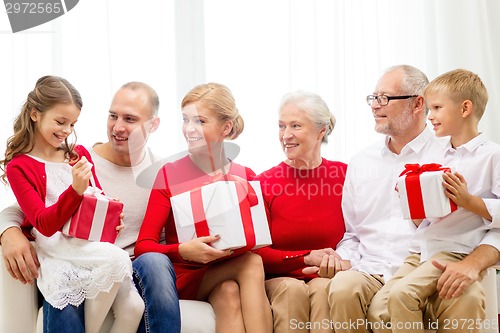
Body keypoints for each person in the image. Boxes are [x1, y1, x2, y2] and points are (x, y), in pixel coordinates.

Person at [324, 64, 500, 333]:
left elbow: (481, 221)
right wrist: (344, 260)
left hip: (434, 259)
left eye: (384, 98)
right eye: (373, 98)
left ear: (418, 104)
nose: (374, 106)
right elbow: (353, 232)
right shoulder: (361, 162)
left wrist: (472, 263)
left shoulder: (450, 153)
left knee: (465, 296)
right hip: (374, 267)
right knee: (346, 289)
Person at [0, 81, 181, 333]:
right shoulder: (80, 157)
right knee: (72, 286)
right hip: (67, 251)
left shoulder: (161, 172)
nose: (118, 127)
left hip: (116, 257)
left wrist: (111, 216)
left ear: (153, 124)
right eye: (112, 116)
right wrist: (7, 231)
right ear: (35, 114)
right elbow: (26, 211)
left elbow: (99, 199)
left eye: (129, 119)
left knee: (142, 286)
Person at [134, 82, 273, 333]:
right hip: (184, 275)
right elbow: (144, 246)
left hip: (223, 274)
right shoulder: (169, 173)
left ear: (226, 127)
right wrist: (183, 251)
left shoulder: (246, 177)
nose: (189, 129)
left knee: (229, 292)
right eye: (185, 120)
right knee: (251, 264)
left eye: (199, 121)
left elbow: (260, 243)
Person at [376, 69, 500, 333]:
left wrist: (469, 201)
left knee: (401, 297)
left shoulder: (492, 156)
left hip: (455, 250)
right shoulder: (436, 153)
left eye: (436, 108)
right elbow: (427, 219)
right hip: (423, 249)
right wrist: (413, 201)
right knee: (380, 309)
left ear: (465, 108)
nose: (429, 116)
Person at [253, 90, 347, 333]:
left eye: (296, 126)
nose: (286, 135)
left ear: (321, 131)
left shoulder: (345, 176)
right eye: (282, 126)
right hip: (281, 279)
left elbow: (364, 234)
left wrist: (342, 263)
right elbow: (256, 253)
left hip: (328, 277)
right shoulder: (263, 183)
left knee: (323, 289)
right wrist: (306, 258)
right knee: (291, 291)